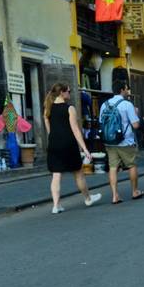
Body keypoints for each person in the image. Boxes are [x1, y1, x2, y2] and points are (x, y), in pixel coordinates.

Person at [43, 83, 101, 214]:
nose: (70, 93)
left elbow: (47, 123)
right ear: (62, 93)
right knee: (78, 173)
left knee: (56, 175)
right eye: (68, 91)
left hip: (54, 144)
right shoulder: (70, 108)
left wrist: (52, 135)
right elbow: (75, 130)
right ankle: (88, 198)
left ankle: (56, 205)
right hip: (68, 144)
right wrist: (85, 148)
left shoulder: (48, 108)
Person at [100, 80, 144, 204]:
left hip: (110, 141)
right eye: (126, 88)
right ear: (121, 90)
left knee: (113, 167)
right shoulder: (127, 104)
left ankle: (115, 195)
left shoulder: (104, 104)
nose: (127, 90)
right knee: (131, 165)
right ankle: (135, 191)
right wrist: (137, 114)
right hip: (125, 141)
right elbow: (135, 125)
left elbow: (101, 123)